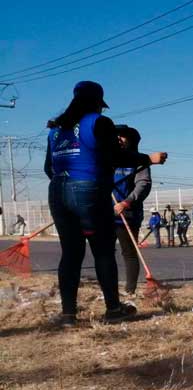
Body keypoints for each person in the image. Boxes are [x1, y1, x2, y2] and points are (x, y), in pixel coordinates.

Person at [45, 80, 167, 325]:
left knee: (70, 253)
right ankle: (113, 309)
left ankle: (68, 314)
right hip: (88, 190)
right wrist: (148, 159)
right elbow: (116, 155)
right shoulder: (98, 122)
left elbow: (49, 168)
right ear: (97, 103)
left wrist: (70, 183)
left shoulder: (55, 129)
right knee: (102, 250)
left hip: (58, 191)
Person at [111, 125, 152, 295]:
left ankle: (130, 290)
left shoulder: (138, 161)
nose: (119, 139)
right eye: (116, 136)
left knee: (128, 252)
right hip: (106, 213)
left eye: (123, 136)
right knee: (106, 253)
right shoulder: (107, 158)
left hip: (127, 214)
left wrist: (126, 202)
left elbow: (143, 184)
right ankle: (110, 289)